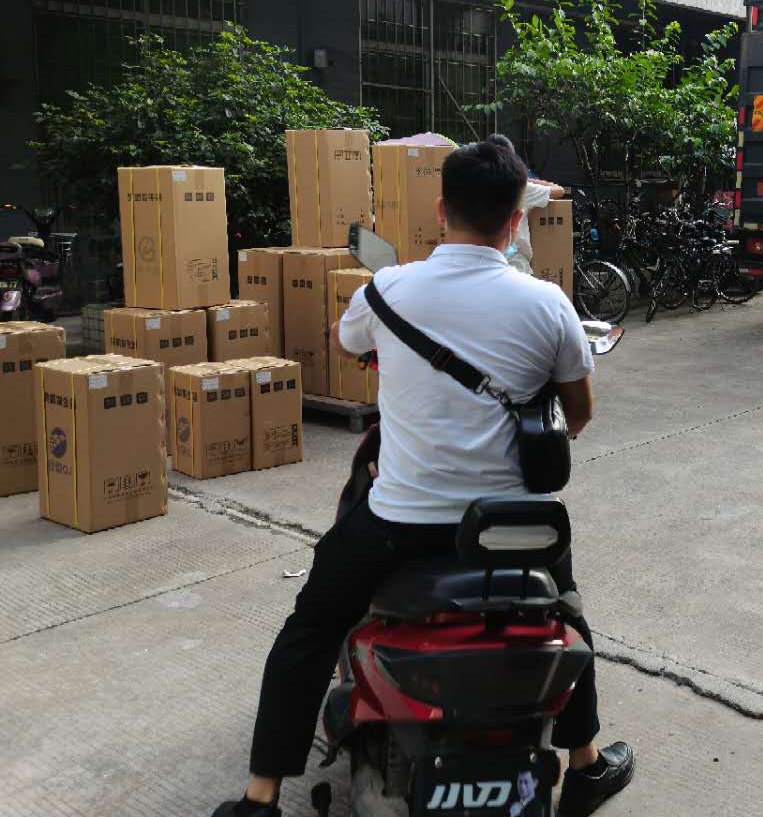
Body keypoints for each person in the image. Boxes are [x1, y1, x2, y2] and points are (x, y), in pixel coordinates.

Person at [212, 143, 634, 817]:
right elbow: (578, 414)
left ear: (442, 210)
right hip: (514, 529)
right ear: (514, 221)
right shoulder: (548, 303)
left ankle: (260, 798)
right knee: (566, 611)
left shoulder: (389, 288)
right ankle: (583, 765)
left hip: (399, 524)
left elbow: (347, 340)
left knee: (310, 628)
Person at [487, 133, 566, 275]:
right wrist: (527, 179)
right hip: (514, 262)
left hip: (486, 261)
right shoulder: (521, 188)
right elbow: (559, 190)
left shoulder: (477, 186)